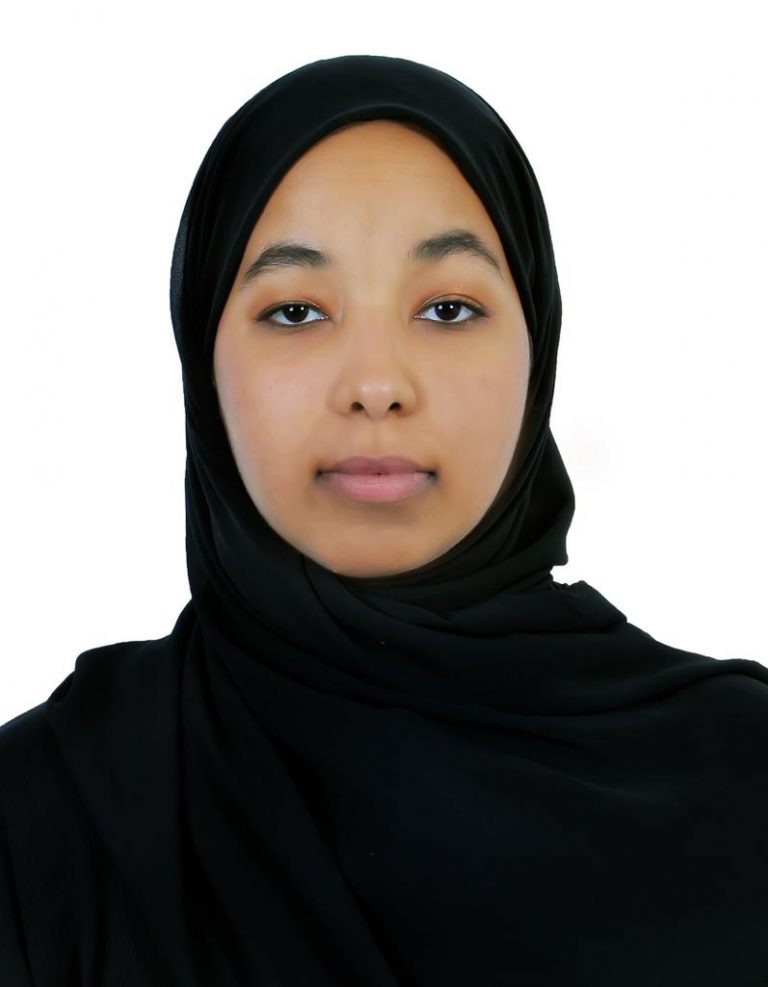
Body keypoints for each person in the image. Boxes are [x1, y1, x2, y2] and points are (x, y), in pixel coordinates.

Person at [1, 53, 766, 986]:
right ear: (203, 359)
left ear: (538, 346)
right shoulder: (46, 821)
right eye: (295, 311)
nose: (375, 385)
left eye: (447, 307)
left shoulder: (746, 772)